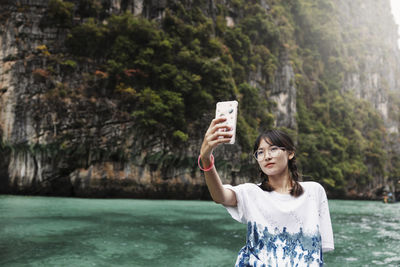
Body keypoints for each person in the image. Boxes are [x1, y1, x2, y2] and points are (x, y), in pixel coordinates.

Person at [199, 117, 334, 266]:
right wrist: (206, 159)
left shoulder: (314, 191)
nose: (267, 156)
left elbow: (317, 252)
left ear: (290, 153)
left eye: (273, 149)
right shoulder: (251, 192)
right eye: (260, 152)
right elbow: (220, 196)